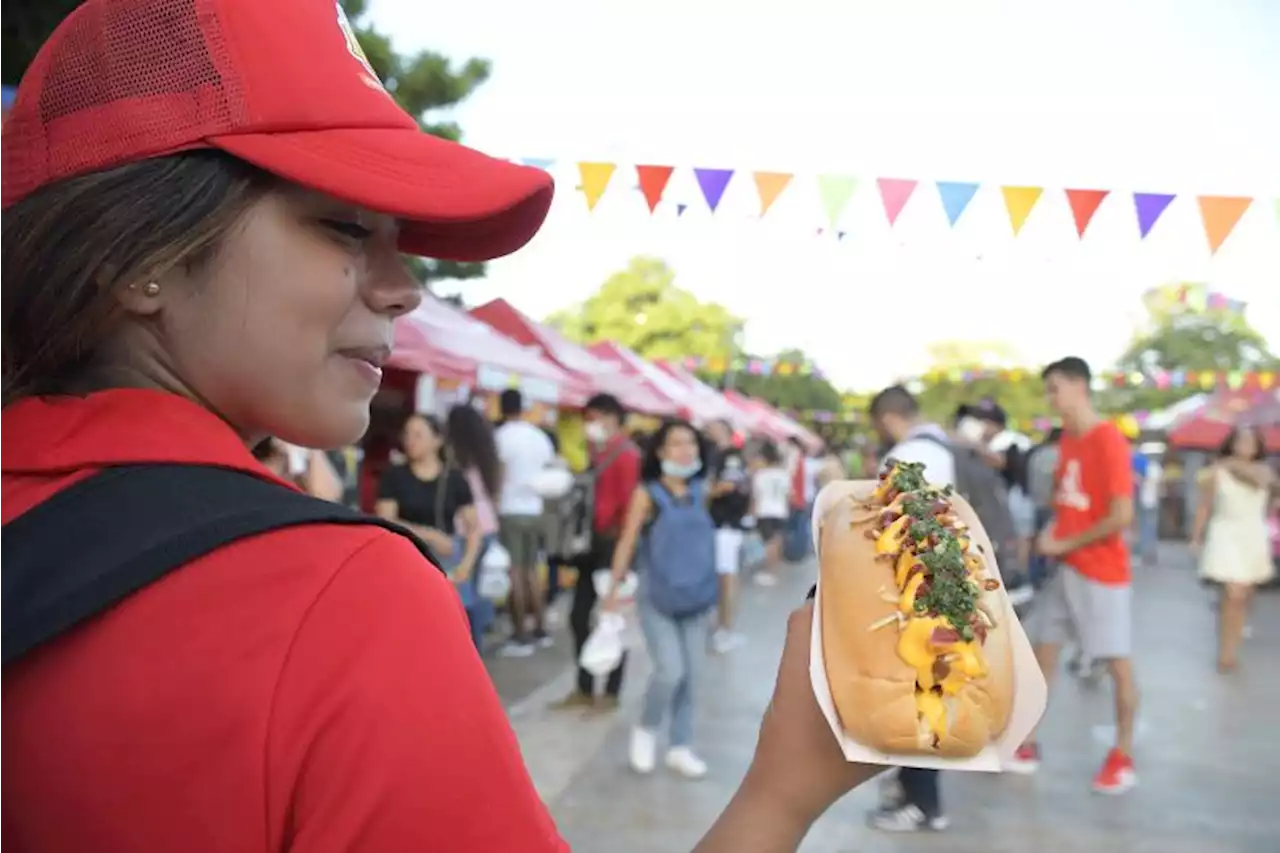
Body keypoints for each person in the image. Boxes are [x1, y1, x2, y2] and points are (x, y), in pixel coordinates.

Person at [0, 2, 891, 850]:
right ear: (139, 255)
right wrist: (785, 787)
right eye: (347, 229)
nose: (404, 287)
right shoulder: (343, 598)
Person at [1011, 357, 1139, 795]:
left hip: (1101, 572)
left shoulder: (1108, 440)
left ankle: (1122, 756)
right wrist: (1052, 534)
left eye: (1055, 388)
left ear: (1079, 386)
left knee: (1116, 664)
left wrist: (1065, 543)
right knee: (1041, 653)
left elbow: (1121, 515)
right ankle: (1025, 742)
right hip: (1064, 570)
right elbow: (1071, 503)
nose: (1051, 398)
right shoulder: (1067, 439)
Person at [604, 419, 719, 778]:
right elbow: (626, 540)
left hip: (698, 595)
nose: (686, 451)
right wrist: (613, 588)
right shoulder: (648, 494)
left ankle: (680, 747)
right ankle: (647, 728)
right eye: (676, 444)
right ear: (660, 452)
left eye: (691, 444)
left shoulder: (702, 489)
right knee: (670, 671)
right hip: (658, 597)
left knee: (693, 675)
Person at [865, 385, 955, 833]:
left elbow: (891, 525)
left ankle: (924, 804)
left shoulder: (909, 455)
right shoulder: (944, 449)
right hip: (943, 589)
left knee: (916, 698)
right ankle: (912, 791)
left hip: (915, 592)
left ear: (885, 418)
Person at [555, 393, 640, 710]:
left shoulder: (627, 455)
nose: (590, 425)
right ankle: (585, 686)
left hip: (613, 545)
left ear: (611, 417)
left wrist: (623, 550)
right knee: (579, 616)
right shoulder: (594, 451)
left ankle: (611, 692)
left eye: (594, 418)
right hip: (589, 544)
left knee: (613, 618)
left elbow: (629, 504)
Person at [1190, 426, 1274, 673]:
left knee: (1244, 596)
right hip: (1225, 532)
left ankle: (1233, 645)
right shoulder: (1216, 473)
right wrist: (1196, 536)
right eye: (1241, 441)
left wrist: (1230, 465)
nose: (1245, 445)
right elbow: (1204, 506)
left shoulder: (1264, 471)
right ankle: (1225, 652)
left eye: (1250, 441)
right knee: (1232, 594)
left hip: (1252, 534)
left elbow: (1263, 484)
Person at [494, 388, 557, 656]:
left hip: (510, 509)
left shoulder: (501, 437)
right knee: (532, 572)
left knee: (515, 573)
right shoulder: (539, 436)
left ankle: (520, 633)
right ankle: (541, 628)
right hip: (536, 509)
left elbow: (498, 475)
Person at [446, 403, 504, 646]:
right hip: (489, 525)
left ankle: (469, 647)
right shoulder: (488, 455)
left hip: (465, 528)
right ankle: (476, 646)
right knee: (480, 594)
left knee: (463, 593)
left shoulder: (455, 459)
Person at [707, 419, 751, 652]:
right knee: (722, 577)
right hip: (718, 525)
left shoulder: (730, 456)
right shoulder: (713, 455)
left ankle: (725, 628)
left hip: (726, 524)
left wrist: (702, 495)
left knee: (727, 578)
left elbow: (728, 485)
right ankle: (721, 626)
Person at [750, 441, 791, 587]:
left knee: (768, 543)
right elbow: (788, 495)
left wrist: (751, 515)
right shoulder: (784, 474)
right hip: (781, 510)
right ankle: (776, 570)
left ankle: (769, 572)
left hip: (765, 510)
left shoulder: (760, 475)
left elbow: (756, 497)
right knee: (777, 540)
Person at [1136, 451, 1163, 568]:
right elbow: (1160, 487)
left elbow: (1139, 482)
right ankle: (1151, 553)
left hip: (1143, 501)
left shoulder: (1145, 467)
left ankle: (1145, 554)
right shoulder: (1157, 469)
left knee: (1144, 528)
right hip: (1153, 502)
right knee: (1151, 528)